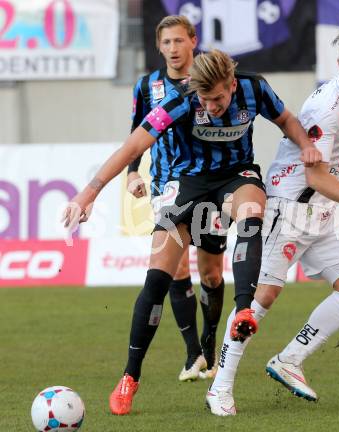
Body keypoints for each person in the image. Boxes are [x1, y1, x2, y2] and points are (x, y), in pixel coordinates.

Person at [62, 49, 321, 416]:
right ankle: (130, 376)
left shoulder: (254, 88)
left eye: (218, 98)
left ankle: (244, 310)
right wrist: (88, 194)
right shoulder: (180, 100)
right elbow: (134, 145)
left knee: (251, 212)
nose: (212, 106)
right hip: (189, 184)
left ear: (232, 85)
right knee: (156, 279)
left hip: (236, 175)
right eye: (205, 99)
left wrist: (307, 145)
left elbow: (287, 121)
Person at [206, 19, 339, 416]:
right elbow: (315, 173)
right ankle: (219, 386)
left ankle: (289, 359)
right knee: (261, 296)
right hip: (287, 206)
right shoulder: (330, 107)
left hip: (318, 211)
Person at [127, 15, 225, 383]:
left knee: (212, 273)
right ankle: (193, 354)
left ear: (193, 41)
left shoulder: (208, 81)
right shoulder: (147, 85)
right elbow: (137, 132)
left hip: (209, 184)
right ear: (159, 46)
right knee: (176, 269)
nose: (173, 49)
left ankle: (209, 344)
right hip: (167, 185)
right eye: (166, 42)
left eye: (179, 41)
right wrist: (133, 171)